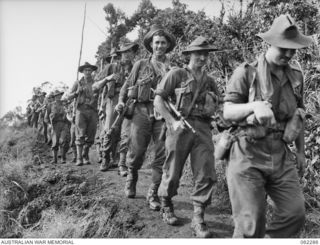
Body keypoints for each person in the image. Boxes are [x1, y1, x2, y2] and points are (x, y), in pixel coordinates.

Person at [223, 14, 313, 238]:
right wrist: (253, 106)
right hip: (247, 152)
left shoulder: (296, 77)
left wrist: (301, 152)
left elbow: (298, 116)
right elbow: (227, 112)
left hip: (280, 155)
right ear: (270, 43)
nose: (290, 53)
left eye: (294, 49)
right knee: (251, 222)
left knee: (295, 214)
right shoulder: (246, 72)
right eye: (284, 48)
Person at [154, 36, 220, 238]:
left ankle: (198, 218)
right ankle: (166, 204)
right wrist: (171, 121)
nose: (202, 57)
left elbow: (219, 105)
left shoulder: (210, 81)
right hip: (179, 127)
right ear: (189, 54)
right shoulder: (177, 74)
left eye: (205, 54)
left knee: (205, 171)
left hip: (203, 129)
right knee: (173, 170)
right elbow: (158, 99)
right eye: (198, 53)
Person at [115, 25, 175, 211]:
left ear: (167, 45)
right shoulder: (140, 64)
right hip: (141, 110)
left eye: (163, 43)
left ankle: (153, 193)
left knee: (161, 154)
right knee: (137, 151)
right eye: (156, 42)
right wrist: (120, 101)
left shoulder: (171, 68)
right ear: (151, 44)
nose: (160, 46)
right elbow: (127, 86)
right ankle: (132, 179)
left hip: (162, 113)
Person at [65, 62, 118, 166]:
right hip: (81, 110)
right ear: (82, 72)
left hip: (93, 111)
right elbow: (68, 97)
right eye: (86, 70)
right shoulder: (78, 83)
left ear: (92, 72)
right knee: (80, 134)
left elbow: (103, 91)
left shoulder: (96, 82)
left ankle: (85, 154)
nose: (88, 72)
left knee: (90, 135)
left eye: (90, 70)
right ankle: (79, 158)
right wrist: (76, 93)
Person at [99, 43, 139, 176]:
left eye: (130, 52)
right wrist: (107, 78)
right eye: (125, 52)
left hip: (130, 102)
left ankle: (122, 164)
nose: (128, 55)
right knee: (110, 131)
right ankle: (105, 158)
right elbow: (95, 86)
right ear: (121, 54)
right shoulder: (111, 67)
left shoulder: (136, 68)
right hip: (113, 101)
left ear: (134, 54)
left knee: (126, 134)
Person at [45, 90, 70, 164]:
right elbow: (46, 118)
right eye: (56, 96)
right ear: (54, 97)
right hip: (55, 125)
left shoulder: (64, 104)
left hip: (64, 124)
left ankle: (63, 158)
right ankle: (55, 159)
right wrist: (49, 125)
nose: (58, 97)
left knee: (63, 141)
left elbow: (69, 114)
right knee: (55, 143)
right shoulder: (50, 105)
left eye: (59, 95)